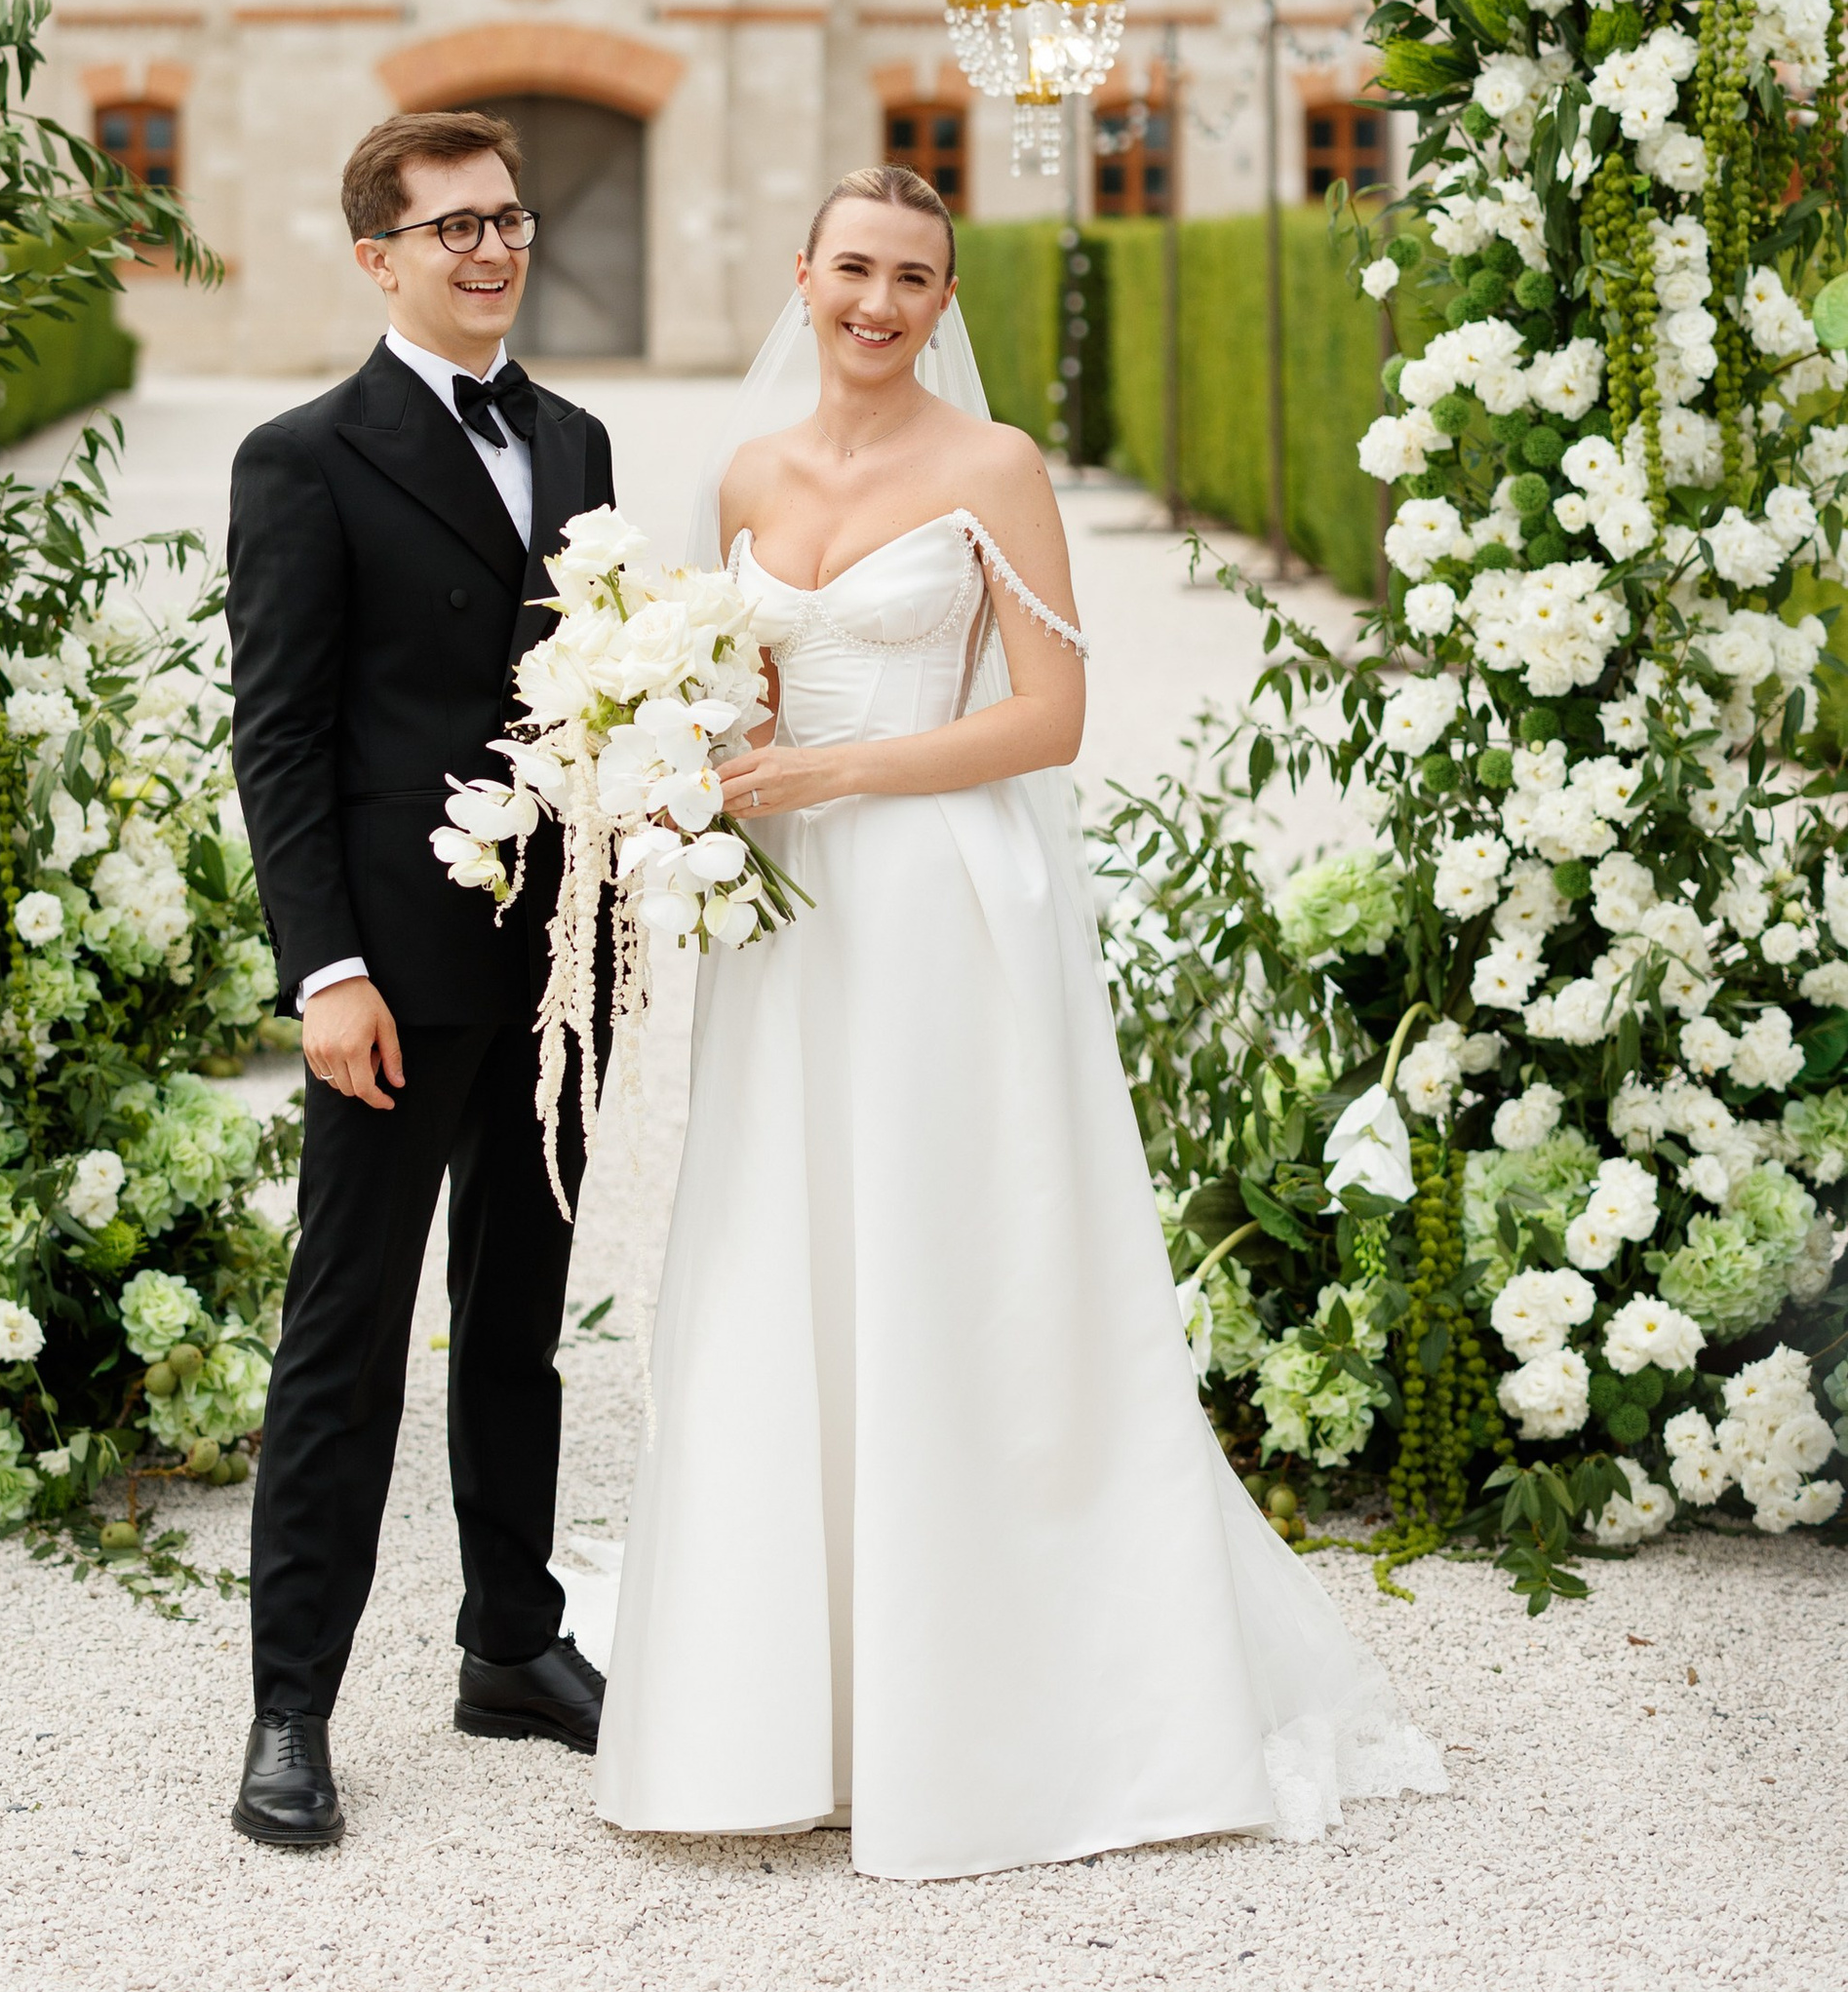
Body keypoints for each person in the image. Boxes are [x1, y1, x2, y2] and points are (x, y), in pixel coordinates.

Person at [592, 164, 1447, 1881]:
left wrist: (836, 766)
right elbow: (724, 692)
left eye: (915, 275)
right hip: (789, 929)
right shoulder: (744, 472)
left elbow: (1051, 716)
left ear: (946, 296)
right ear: (806, 272)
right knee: (786, 1249)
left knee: (947, 1254)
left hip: (937, 907)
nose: (878, 302)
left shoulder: (995, 471)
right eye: (854, 267)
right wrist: (670, 787)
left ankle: (985, 1683)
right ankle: (788, 1697)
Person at [224, 109, 616, 1851]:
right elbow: (281, 740)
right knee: (347, 1331)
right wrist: (325, 968)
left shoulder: (580, 439)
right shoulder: (303, 457)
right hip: (388, 973)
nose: (491, 251)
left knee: (520, 1319)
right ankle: (290, 1702)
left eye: (510, 221)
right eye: (452, 226)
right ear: (377, 253)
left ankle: (512, 1640)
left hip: (551, 967)